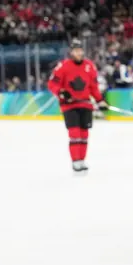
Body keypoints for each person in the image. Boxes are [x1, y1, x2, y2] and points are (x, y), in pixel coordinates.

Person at [47, 39, 109, 175]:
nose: (78, 53)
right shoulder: (63, 66)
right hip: (69, 105)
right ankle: (75, 161)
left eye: (80, 50)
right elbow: (52, 84)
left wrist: (100, 100)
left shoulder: (90, 66)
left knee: (84, 134)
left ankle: (82, 160)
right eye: (75, 50)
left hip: (85, 104)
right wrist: (61, 92)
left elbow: (93, 87)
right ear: (71, 52)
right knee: (75, 134)